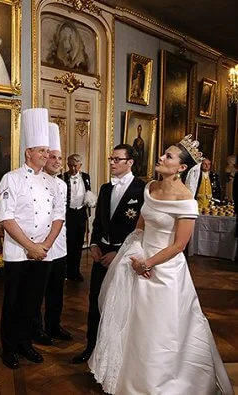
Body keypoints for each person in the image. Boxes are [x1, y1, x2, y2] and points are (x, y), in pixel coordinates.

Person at [88, 135, 233, 395]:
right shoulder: (151, 187)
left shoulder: (186, 200)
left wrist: (148, 262)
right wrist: (135, 255)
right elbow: (141, 226)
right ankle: (128, 379)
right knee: (134, 323)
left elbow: (179, 246)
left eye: (168, 156)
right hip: (139, 260)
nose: (161, 158)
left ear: (181, 168)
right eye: (163, 153)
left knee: (161, 328)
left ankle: (165, 383)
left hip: (165, 271)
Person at [0, 108, 65, 369]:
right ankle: (9, 348)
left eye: (47, 152)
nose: (46, 156)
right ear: (28, 153)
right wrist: (31, 247)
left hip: (43, 253)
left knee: (33, 303)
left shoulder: (51, 183)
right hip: (18, 253)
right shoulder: (11, 179)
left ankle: (26, 344)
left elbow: (59, 216)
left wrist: (45, 246)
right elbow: (6, 218)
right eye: (41, 151)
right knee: (13, 302)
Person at [72, 144, 146, 365]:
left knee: (120, 303)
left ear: (130, 162)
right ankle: (92, 346)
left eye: (116, 159)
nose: (112, 162)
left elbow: (141, 229)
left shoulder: (142, 190)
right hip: (101, 254)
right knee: (96, 300)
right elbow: (98, 222)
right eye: (111, 158)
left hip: (125, 255)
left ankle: (119, 352)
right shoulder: (105, 188)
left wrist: (118, 253)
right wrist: (94, 244)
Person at [34, 123, 73, 344]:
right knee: (38, 291)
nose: (58, 162)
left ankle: (54, 325)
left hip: (60, 245)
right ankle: (36, 329)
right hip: (41, 244)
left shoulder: (62, 184)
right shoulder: (36, 182)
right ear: (45, 158)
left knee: (57, 291)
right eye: (54, 157)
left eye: (60, 158)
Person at [62, 154, 92, 282]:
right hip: (67, 214)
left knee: (78, 243)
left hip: (80, 214)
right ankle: (66, 271)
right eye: (71, 165)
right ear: (68, 165)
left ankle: (76, 271)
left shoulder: (85, 177)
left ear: (80, 165)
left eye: (76, 165)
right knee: (68, 243)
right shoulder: (61, 177)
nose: (74, 168)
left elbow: (88, 192)